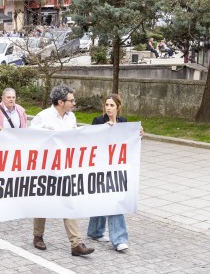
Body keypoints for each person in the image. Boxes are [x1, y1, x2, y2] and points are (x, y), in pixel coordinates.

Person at [29, 85, 95, 256]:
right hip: (46, 169)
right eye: (71, 100)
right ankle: (38, 236)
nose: (74, 103)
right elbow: (30, 139)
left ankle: (76, 243)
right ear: (60, 102)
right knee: (43, 202)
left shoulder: (70, 117)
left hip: (65, 168)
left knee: (68, 202)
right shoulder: (42, 117)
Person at [87, 93, 143, 252]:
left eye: (112, 105)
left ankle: (95, 231)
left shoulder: (124, 123)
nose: (109, 108)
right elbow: (89, 142)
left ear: (118, 107)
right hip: (100, 168)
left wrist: (139, 135)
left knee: (109, 199)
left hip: (116, 169)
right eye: (106, 105)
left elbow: (129, 143)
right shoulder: (98, 121)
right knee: (110, 200)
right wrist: (105, 130)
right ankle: (118, 239)